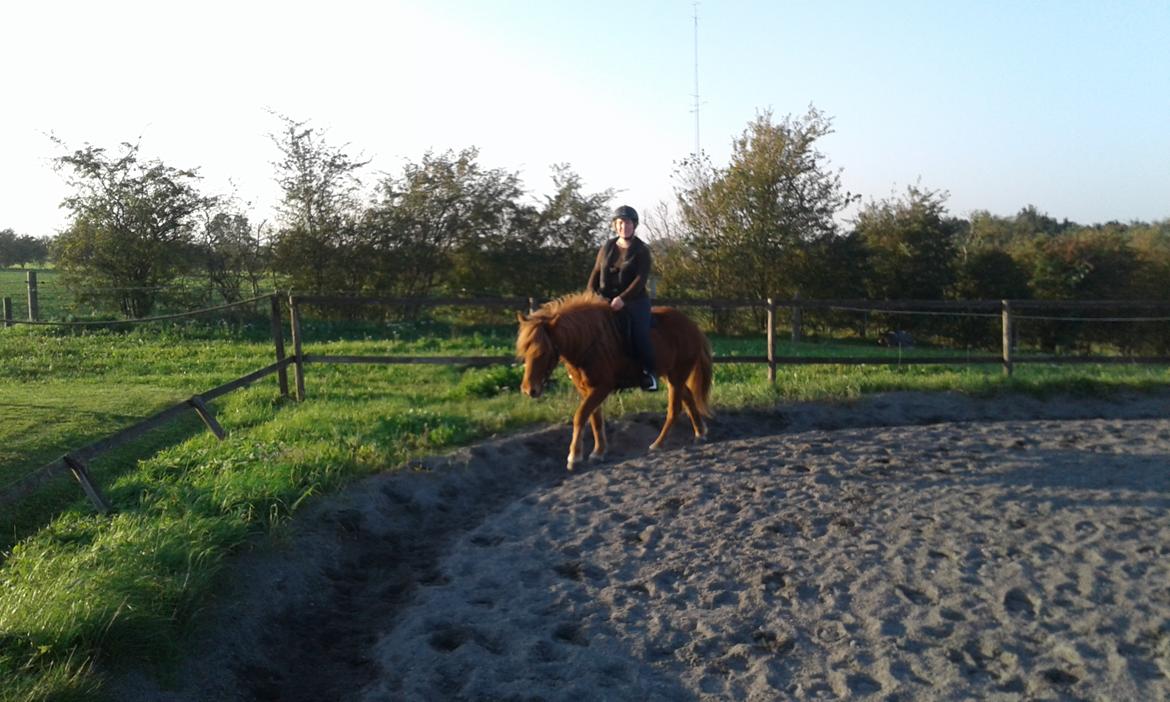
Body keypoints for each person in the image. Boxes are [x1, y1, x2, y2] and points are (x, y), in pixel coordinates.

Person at [587, 205, 657, 391]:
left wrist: (623, 299)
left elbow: (641, 280)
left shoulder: (641, 250)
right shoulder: (607, 247)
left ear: (634, 225)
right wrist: (588, 297)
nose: (623, 227)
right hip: (605, 300)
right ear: (614, 226)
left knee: (639, 335)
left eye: (627, 223)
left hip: (634, 301)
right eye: (619, 223)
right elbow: (595, 273)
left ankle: (648, 373)